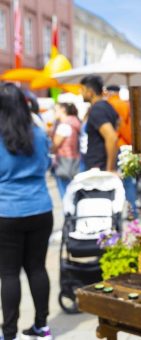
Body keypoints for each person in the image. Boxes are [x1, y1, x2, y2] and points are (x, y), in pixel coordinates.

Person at [0, 83, 53, 340]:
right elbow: (45, 165)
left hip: (6, 211)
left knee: (9, 273)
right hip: (40, 208)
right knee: (37, 268)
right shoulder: (39, 134)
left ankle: (9, 332)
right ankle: (42, 327)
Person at [106, 85, 138, 220]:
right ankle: (132, 210)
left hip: (115, 145)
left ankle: (114, 214)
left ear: (109, 92)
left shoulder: (109, 104)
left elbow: (119, 128)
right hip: (126, 145)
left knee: (112, 181)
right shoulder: (125, 104)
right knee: (128, 181)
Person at [80, 75, 118, 171]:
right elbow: (118, 123)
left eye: (82, 90)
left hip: (98, 168)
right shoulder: (107, 106)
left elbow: (112, 137)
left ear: (90, 92)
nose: (80, 93)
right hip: (100, 166)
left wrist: (110, 169)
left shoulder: (97, 109)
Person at [51, 102, 81, 199]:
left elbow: (54, 145)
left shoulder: (63, 126)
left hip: (63, 161)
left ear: (63, 110)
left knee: (65, 194)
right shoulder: (75, 122)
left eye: (56, 110)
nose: (54, 113)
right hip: (75, 159)